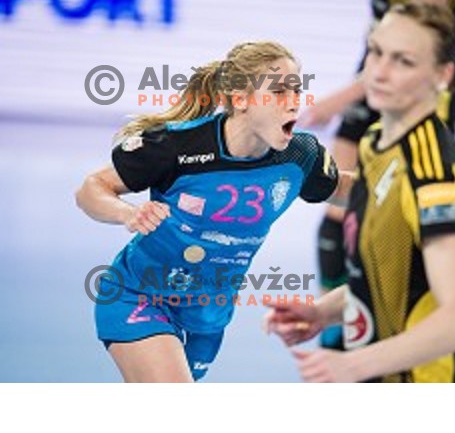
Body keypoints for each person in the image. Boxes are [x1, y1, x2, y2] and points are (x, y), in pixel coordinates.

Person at [75, 41, 353, 383]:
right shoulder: (176, 147)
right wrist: (126, 213)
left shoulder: (299, 157)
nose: (294, 101)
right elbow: (91, 189)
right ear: (241, 101)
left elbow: (346, 189)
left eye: (297, 90)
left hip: (208, 318)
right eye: (279, 91)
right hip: (139, 294)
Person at [264, 2, 455, 382]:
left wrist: (351, 364)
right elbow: (392, 279)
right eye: (376, 52)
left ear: (442, 74)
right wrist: (321, 313)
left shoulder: (435, 175)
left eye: (403, 61)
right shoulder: (378, 142)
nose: (378, 72)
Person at [306, 0, 455, 351]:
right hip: (374, 94)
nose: (382, 65)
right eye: (376, 51)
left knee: (398, 242)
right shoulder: (378, 126)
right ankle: (340, 334)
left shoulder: (436, 168)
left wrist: (337, 99)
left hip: (410, 94)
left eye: (392, 57)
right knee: (341, 223)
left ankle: (365, 344)